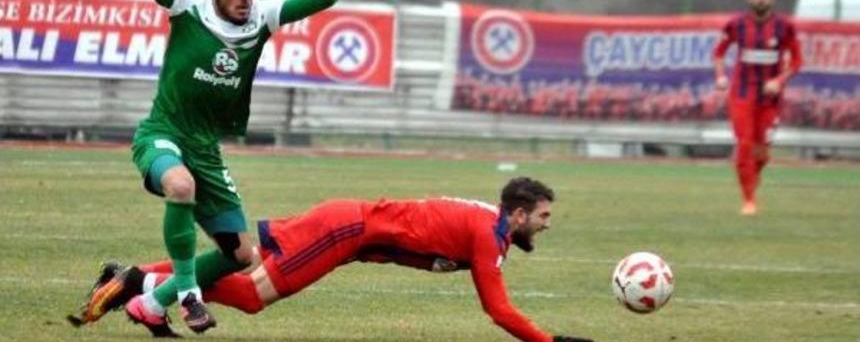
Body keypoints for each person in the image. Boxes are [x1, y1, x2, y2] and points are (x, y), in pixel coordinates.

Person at [86, 0, 340, 334]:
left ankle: (150, 302)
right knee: (180, 187)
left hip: (205, 148)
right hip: (162, 135)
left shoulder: (262, 17)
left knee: (242, 256)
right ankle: (187, 296)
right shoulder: (187, 6)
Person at [70, 177, 593, 342]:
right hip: (344, 230)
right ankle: (137, 281)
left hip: (347, 228)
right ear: (519, 214)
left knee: (242, 270)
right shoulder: (488, 235)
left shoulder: (491, 226)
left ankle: (137, 278)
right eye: (543, 216)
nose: (547, 224)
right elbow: (498, 310)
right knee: (252, 295)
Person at [713, 0, 802, 215]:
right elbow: (719, 53)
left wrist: (778, 81)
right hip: (741, 94)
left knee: (762, 152)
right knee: (744, 145)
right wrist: (720, 76)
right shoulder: (736, 25)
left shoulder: (785, 26)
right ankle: (749, 200)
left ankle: (751, 180)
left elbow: (796, 60)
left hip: (771, 98)